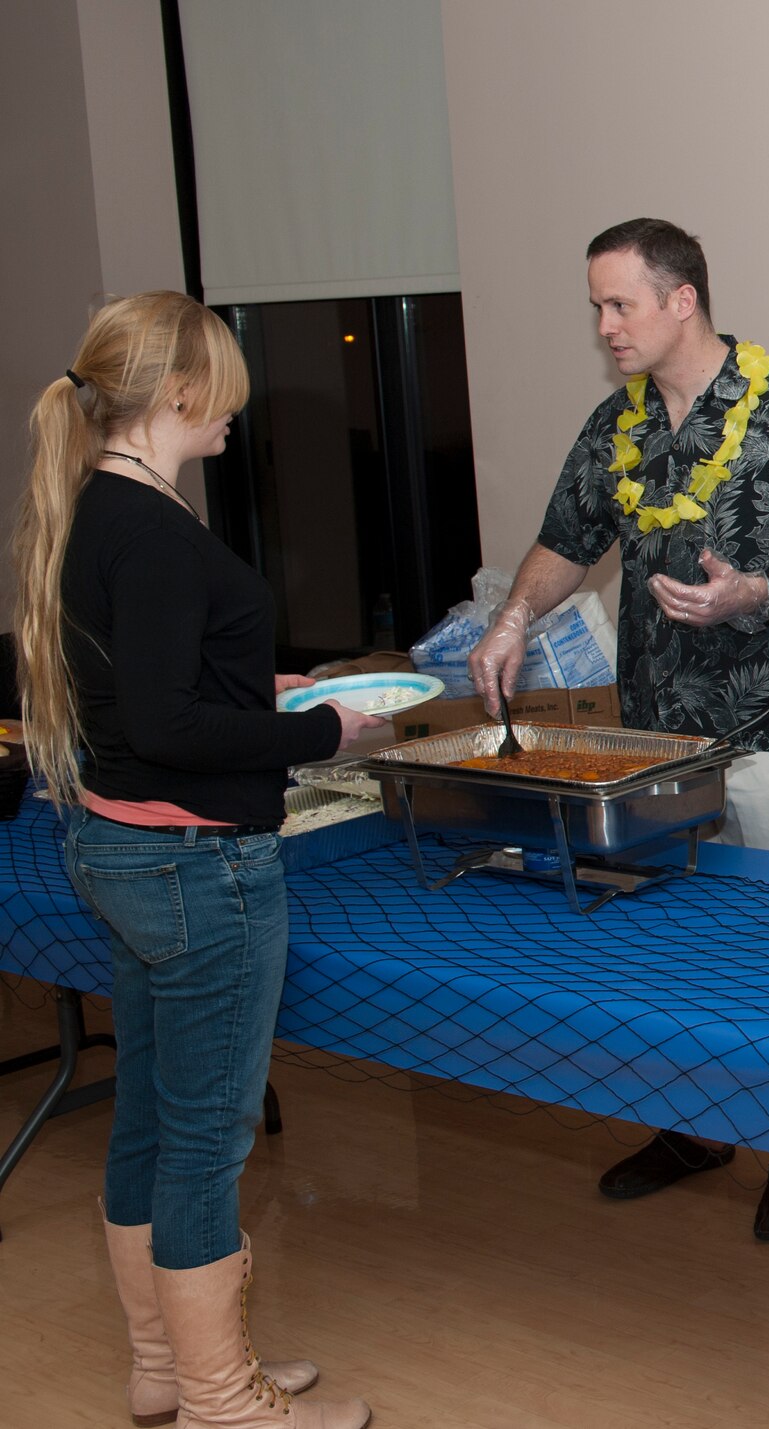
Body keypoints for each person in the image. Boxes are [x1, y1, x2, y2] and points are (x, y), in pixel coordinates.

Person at [468, 218, 769, 1239]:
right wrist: (515, 615)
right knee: (673, 949)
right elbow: (566, 541)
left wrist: (761, 592)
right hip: (655, 744)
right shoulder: (616, 428)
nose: (605, 327)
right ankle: (692, 1126)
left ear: (681, 299)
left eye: (620, 305)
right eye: (596, 308)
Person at [16, 292, 382, 1428]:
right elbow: (173, 729)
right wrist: (323, 730)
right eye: (220, 386)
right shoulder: (157, 532)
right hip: (193, 866)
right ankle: (226, 1397)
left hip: (118, 848)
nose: (235, 408)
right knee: (204, 1137)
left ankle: (166, 1367)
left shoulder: (93, 512)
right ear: (177, 392)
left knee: (147, 1121)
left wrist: (253, 690)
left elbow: (143, 693)